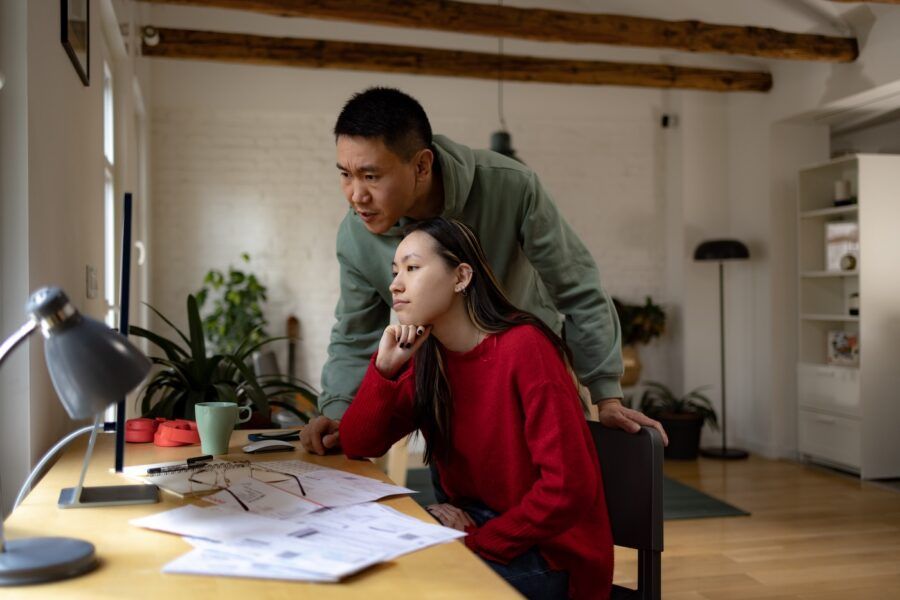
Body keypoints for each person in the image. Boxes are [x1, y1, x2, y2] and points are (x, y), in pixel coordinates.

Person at [301, 86, 666, 454]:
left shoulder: (512, 186)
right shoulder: (354, 234)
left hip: (530, 380)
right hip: (445, 394)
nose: (355, 195)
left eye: (371, 176)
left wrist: (606, 395)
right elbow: (354, 334)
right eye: (345, 174)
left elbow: (579, 289)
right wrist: (338, 412)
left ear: (422, 166)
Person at [340, 217, 613, 599]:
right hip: (478, 527)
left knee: (407, 589)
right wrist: (384, 370)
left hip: (552, 553)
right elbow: (358, 443)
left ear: (461, 277)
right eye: (395, 270)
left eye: (412, 268)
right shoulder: (427, 356)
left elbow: (569, 486)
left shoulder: (525, 348)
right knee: (370, 571)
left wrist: (478, 542)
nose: (395, 284)